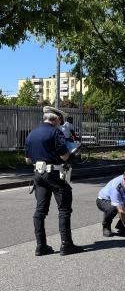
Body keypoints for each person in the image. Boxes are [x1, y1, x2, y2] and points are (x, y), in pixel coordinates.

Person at [24, 106, 85, 256]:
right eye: (60, 119)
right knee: (64, 209)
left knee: (40, 211)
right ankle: (66, 244)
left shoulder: (31, 133)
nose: (60, 122)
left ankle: (41, 245)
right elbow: (64, 156)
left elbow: (27, 160)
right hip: (55, 175)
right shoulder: (55, 132)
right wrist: (72, 153)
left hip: (38, 174)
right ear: (56, 119)